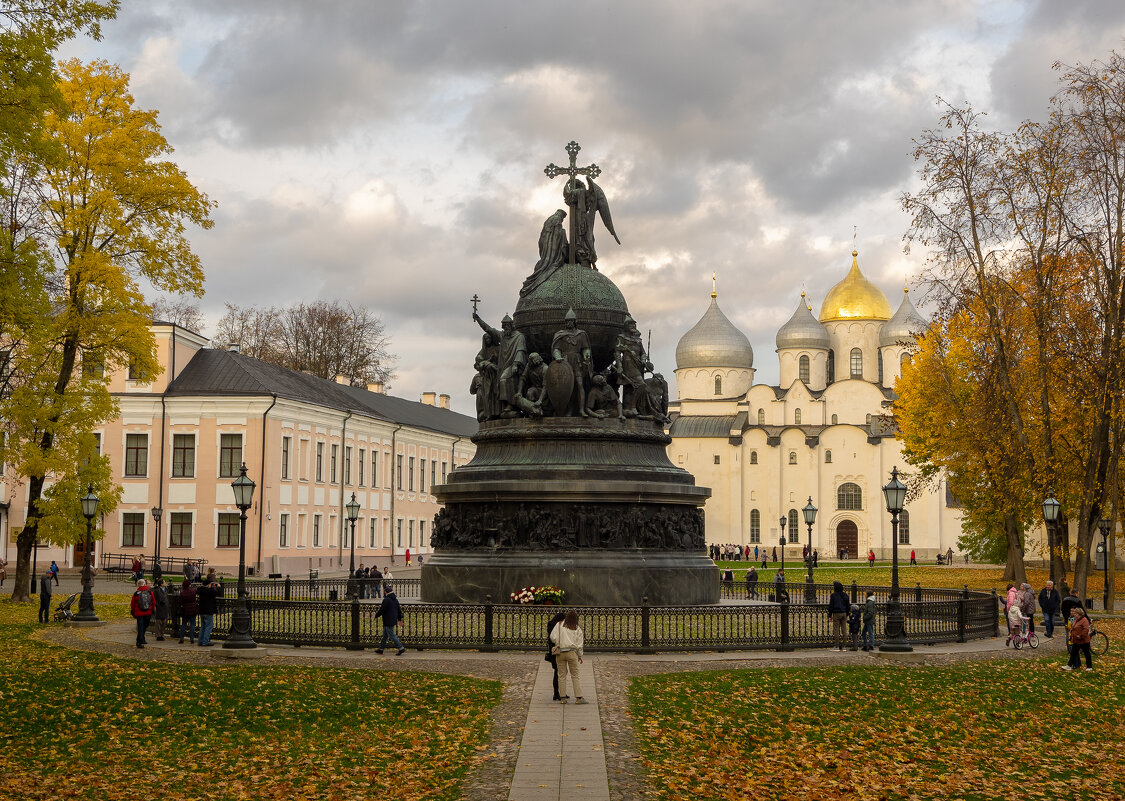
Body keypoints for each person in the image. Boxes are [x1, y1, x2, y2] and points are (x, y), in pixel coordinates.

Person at [549, 610, 587, 704]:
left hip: (560, 652)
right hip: (572, 653)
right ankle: (579, 698)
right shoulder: (577, 629)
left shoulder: (559, 625)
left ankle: (563, 698)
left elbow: (552, 637)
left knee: (561, 676)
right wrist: (580, 656)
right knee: (575, 675)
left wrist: (559, 642)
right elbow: (579, 644)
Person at [374, 587, 406, 655]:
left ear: (386, 592)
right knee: (385, 636)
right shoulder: (395, 600)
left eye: (384, 592)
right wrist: (399, 619)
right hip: (392, 619)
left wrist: (376, 615)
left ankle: (401, 648)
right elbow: (399, 611)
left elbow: (382, 610)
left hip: (388, 620)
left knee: (391, 635)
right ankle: (381, 649)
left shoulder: (386, 600)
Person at [1062, 606, 1093, 671]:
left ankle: (1089, 667)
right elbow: (1074, 627)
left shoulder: (1084, 620)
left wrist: (1080, 636)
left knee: (1086, 653)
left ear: (1079, 614)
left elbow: (1086, 629)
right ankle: (1069, 665)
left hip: (1084, 640)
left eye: (1076, 613)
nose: (1074, 614)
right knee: (1073, 653)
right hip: (1076, 640)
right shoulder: (1076, 620)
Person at [546, 611, 566, 701]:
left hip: (553, 651)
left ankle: (560, 692)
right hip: (558, 650)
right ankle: (557, 693)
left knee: (558, 672)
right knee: (559, 672)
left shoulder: (551, 625)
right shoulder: (557, 627)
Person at [130, 578, 155, 648]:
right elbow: (153, 602)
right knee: (144, 626)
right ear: (144, 584)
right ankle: (141, 639)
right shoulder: (150, 592)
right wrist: (151, 610)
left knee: (140, 626)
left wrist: (133, 611)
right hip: (148, 612)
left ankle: (139, 640)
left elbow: (132, 604)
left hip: (139, 613)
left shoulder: (136, 593)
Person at [196, 578, 221, 647]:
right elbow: (218, 593)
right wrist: (218, 587)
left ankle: (200, 641)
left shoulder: (201, 590)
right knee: (208, 627)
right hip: (208, 611)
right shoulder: (209, 591)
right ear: (208, 585)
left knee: (203, 627)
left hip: (202, 611)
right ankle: (205, 641)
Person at [828, 580, 849, 651]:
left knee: (836, 630)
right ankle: (844, 646)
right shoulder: (845, 595)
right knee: (844, 630)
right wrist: (847, 614)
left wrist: (829, 615)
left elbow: (831, 606)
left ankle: (836, 646)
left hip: (836, 613)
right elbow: (848, 605)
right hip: (844, 613)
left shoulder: (833, 595)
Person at [178, 578, 198, 644]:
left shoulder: (182, 593)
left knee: (183, 624)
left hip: (185, 610)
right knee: (192, 625)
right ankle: (192, 638)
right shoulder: (193, 591)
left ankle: (181, 638)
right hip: (193, 609)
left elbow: (180, 602)